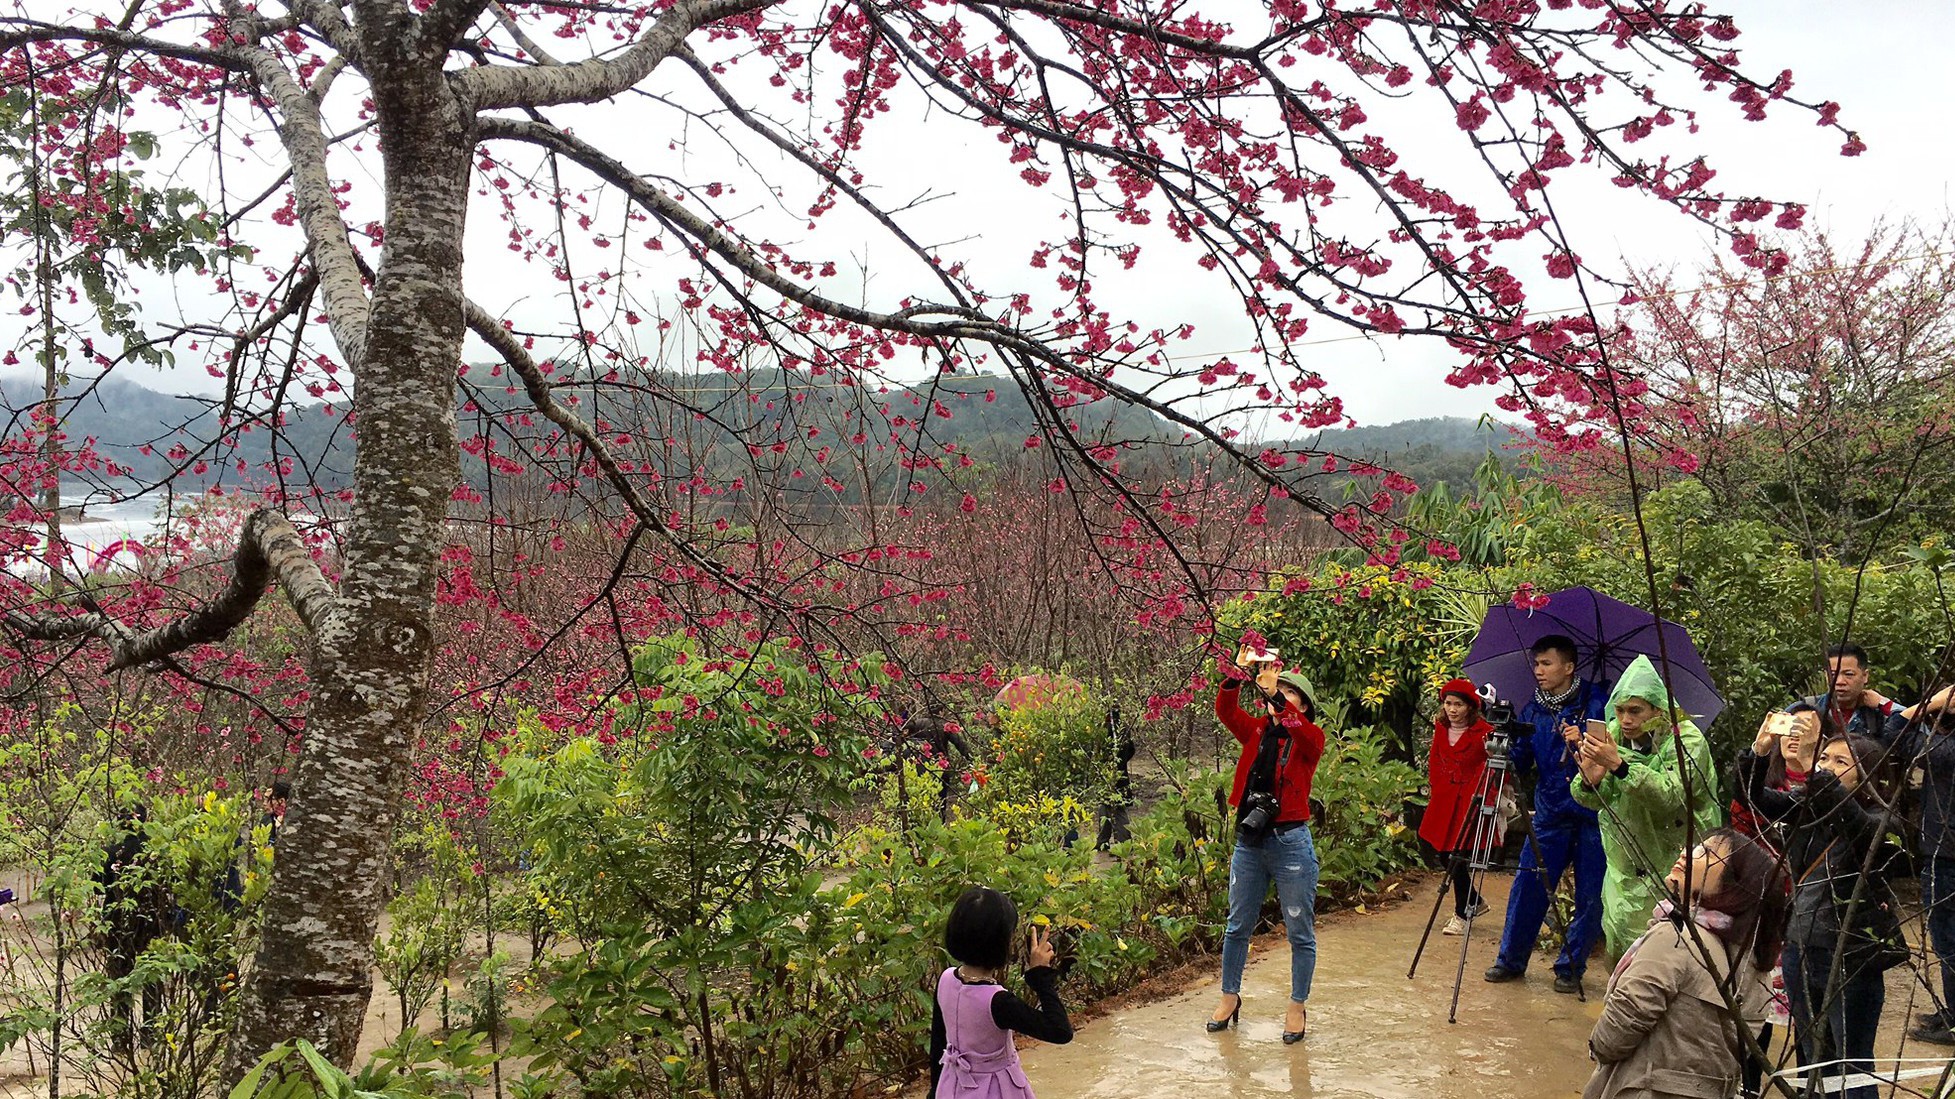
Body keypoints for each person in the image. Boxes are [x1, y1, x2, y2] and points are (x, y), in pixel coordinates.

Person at [1739, 727, 1902, 1099]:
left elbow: (1857, 827)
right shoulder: (1809, 807)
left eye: (1840, 761)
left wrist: (1814, 771)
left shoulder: (1884, 821)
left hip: (1849, 954)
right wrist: (1760, 752)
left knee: (1852, 1064)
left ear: (1868, 776)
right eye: (1824, 757)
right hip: (1800, 946)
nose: (1827, 766)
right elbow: (1754, 798)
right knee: (1813, 1058)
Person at [1582, 829, 1787, 1099]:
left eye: (1706, 853)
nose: (1686, 853)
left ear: (1734, 886)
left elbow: (1616, 1032)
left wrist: (1596, 1047)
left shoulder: (1676, 937)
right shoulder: (1757, 963)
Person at [1206, 647, 1326, 1043]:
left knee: (1299, 931)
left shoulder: (1310, 738)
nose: (1281, 695)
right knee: (1237, 924)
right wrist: (1237, 674)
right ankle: (1229, 996)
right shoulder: (1257, 731)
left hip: (1290, 842)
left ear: (1304, 706)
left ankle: (1296, 1006)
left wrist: (1275, 696)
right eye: (1278, 689)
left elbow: (1300, 730)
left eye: (1290, 693)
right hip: (1250, 840)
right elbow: (1226, 711)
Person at [1571, 655, 1724, 965]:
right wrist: (1590, 781)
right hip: (1627, 860)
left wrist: (1618, 765)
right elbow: (1590, 798)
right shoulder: (1614, 734)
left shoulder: (1686, 739)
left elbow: (1670, 796)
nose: (1626, 719)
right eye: (1620, 710)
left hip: (1676, 856)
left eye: (1635, 711)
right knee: (1620, 936)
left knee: (1669, 946)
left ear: (1657, 709)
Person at [1486, 634, 1610, 994]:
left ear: (1568, 667)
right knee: (1528, 885)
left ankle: (1571, 968)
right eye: (1536, 664)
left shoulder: (1598, 702)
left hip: (1592, 814)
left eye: (1546, 663)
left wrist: (1582, 740)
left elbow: (1612, 753)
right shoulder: (1533, 708)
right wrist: (1502, 746)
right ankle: (1510, 960)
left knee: (1591, 895)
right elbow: (1521, 760)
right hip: (1550, 812)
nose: (1538, 671)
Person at [928, 886, 1072, 1099]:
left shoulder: (946, 979)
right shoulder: (998, 1002)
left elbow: (938, 1046)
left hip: (952, 1086)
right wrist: (1040, 975)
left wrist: (935, 1091)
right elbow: (1060, 1031)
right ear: (1001, 942)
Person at [1883, 685, 1955, 1044]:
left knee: (1948, 941)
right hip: (1942, 850)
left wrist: (1931, 702)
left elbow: (1894, 732)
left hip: (1946, 853)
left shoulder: (1944, 751)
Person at [1418, 677, 1494, 936]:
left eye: (1458, 704)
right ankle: (1474, 900)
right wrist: (1437, 784)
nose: (1452, 709)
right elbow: (1435, 757)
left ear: (1470, 707)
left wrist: (1482, 792)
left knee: (1457, 854)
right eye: (1448, 703)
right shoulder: (1441, 727)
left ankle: (1462, 913)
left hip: (1469, 797)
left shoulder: (1484, 731)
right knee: (1440, 850)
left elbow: (1491, 765)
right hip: (1444, 796)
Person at [96, 803, 167, 1054]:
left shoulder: (111, 851)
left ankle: (120, 1039)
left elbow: (97, 886)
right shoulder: (156, 849)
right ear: (145, 820)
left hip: (118, 922)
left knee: (119, 980)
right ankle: (150, 1035)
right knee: (151, 978)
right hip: (151, 921)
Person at [1787, 643, 1900, 740]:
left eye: (1849, 674)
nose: (1840, 681)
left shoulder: (1876, 715)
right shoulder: (1805, 709)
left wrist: (1884, 704)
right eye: (1833, 675)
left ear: (1865, 676)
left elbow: (1909, 723)